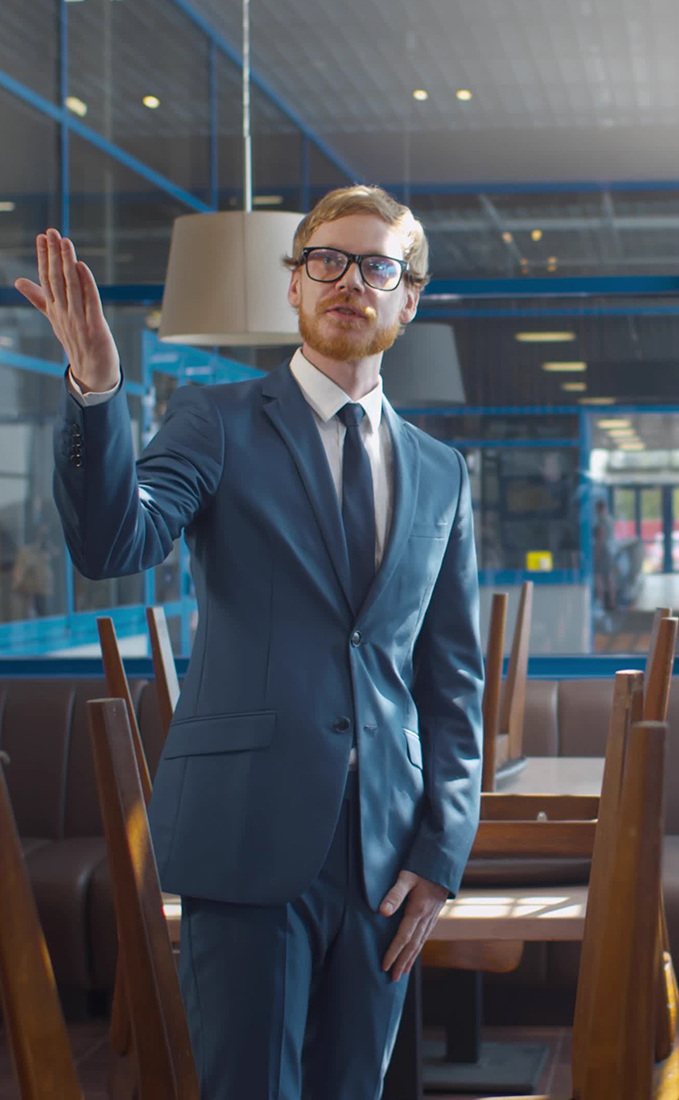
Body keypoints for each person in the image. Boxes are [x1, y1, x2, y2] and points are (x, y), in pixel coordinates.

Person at [15, 185, 484, 1100]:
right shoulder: (216, 422)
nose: (351, 281)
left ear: (409, 298)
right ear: (295, 288)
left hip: (387, 856)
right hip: (247, 833)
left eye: (378, 266)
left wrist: (442, 851)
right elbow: (116, 543)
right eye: (328, 261)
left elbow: (453, 676)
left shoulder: (442, 469)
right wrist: (98, 390)